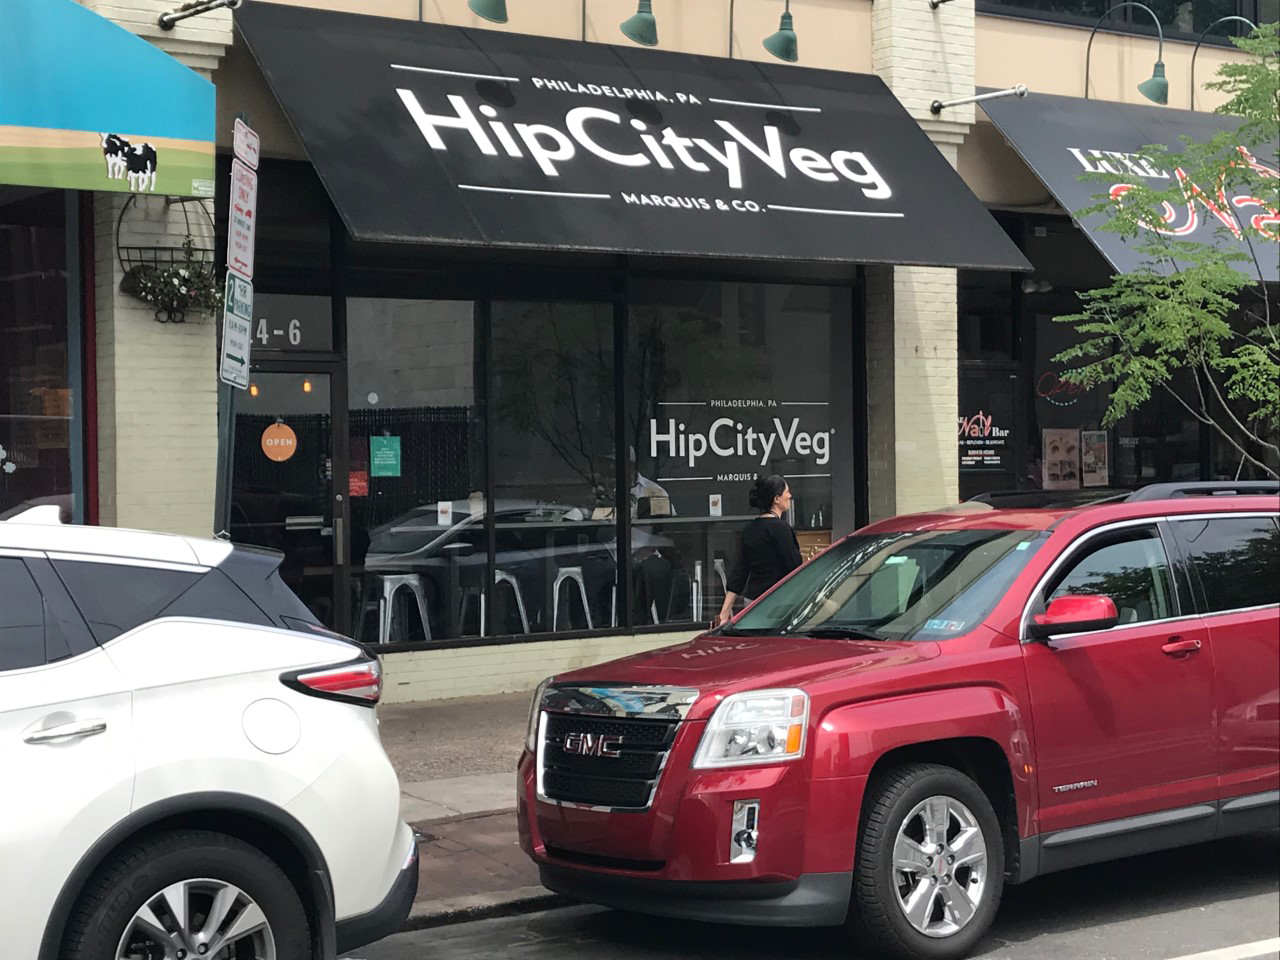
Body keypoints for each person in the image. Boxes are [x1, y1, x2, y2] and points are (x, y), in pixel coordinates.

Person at [712, 475, 803, 627]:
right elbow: (795, 570)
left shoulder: (749, 530)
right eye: (787, 492)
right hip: (778, 604)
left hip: (753, 603)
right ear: (776, 499)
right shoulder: (782, 529)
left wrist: (724, 614)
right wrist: (822, 599)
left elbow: (740, 573)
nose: (790, 495)